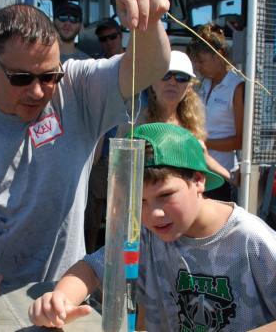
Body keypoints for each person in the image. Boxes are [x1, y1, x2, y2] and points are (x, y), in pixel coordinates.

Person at [0, 0, 171, 300]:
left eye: (50, 76)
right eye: (22, 78)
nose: (38, 92)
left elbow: (148, 67)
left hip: (62, 291)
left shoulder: (77, 88)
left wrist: (149, 21)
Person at [28, 123, 276, 332]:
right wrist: (59, 299)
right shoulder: (144, 234)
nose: (154, 213)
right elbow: (92, 268)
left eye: (166, 195)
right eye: (140, 201)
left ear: (198, 180)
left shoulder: (251, 239)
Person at [117, 50, 230, 183]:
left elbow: (203, 157)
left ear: (189, 86)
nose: (172, 82)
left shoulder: (192, 124)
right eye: (165, 75)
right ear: (152, 83)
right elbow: (119, 168)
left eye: (181, 77)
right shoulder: (133, 122)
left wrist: (232, 177)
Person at [187, 24, 245, 202]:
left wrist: (204, 143)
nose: (197, 67)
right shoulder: (203, 84)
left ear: (219, 54)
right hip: (196, 169)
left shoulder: (237, 87)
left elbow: (241, 140)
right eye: (195, 62)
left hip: (221, 176)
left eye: (201, 61)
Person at [84, 18, 125, 253]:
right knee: (93, 215)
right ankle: (89, 259)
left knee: (122, 218)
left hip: (128, 152)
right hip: (101, 153)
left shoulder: (137, 65)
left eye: (113, 37)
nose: (109, 42)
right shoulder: (95, 69)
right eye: (103, 39)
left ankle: (119, 265)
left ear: (121, 36)